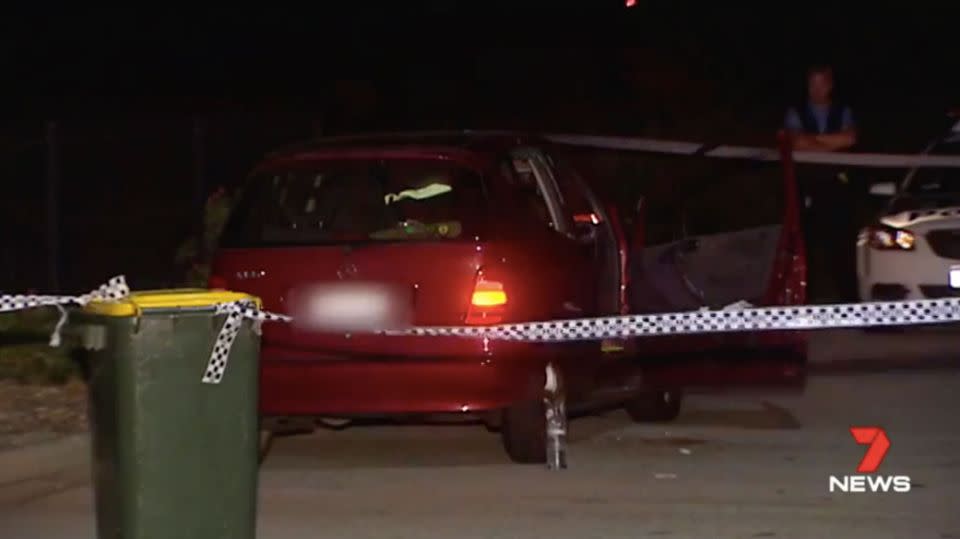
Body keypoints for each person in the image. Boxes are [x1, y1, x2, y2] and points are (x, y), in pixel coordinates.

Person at [783, 64, 858, 303]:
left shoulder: (843, 110)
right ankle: (806, 305)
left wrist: (813, 140)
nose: (816, 90)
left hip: (838, 189)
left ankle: (851, 305)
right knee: (808, 249)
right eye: (811, 84)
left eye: (821, 84)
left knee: (843, 248)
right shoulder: (796, 112)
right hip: (808, 188)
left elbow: (849, 138)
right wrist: (829, 144)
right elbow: (795, 142)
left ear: (829, 85)